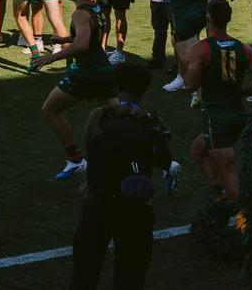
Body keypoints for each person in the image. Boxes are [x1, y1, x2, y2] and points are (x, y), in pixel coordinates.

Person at [69, 62, 178, 290]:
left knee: (84, 273)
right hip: (135, 207)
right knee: (131, 276)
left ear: (117, 88)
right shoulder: (153, 122)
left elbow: (90, 149)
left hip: (97, 203)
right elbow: (165, 161)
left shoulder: (98, 117)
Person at [30, 0, 119, 180]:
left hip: (86, 71)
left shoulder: (79, 13)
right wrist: (63, 40)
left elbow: (82, 44)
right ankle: (162, 160)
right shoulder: (95, 7)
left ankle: (76, 160)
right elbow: (90, 34)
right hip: (104, 69)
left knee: (50, 110)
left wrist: (52, 57)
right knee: (120, 117)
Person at [186, 0, 252, 203]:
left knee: (227, 171)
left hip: (216, 117)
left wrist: (188, 66)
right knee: (197, 151)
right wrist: (245, 90)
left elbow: (190, 86)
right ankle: (220, 197)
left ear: (208, 19)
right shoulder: (244, 48)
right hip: (237, 114)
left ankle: (247, 221)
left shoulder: (201, 48)